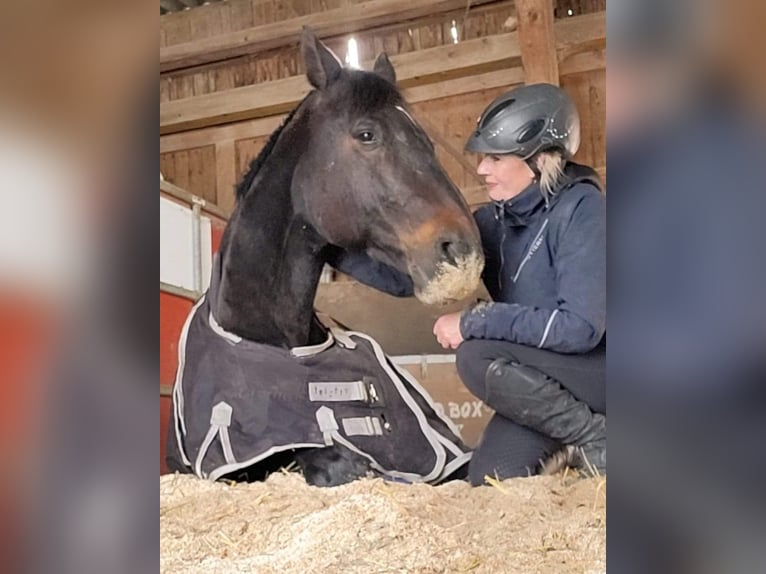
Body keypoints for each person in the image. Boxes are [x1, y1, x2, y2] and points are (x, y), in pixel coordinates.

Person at [328, 83, 605, 484]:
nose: (481, 170)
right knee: (491, 479)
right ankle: (581, 438)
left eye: (494, 158)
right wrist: (335, 250)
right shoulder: (495, 223)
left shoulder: (583, 211)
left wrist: (475, 321)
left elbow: (580, 328)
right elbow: (412, 280)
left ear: (540, 160)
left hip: (605, 371)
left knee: (475, 355)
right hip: (549, 382)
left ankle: (599, 438)